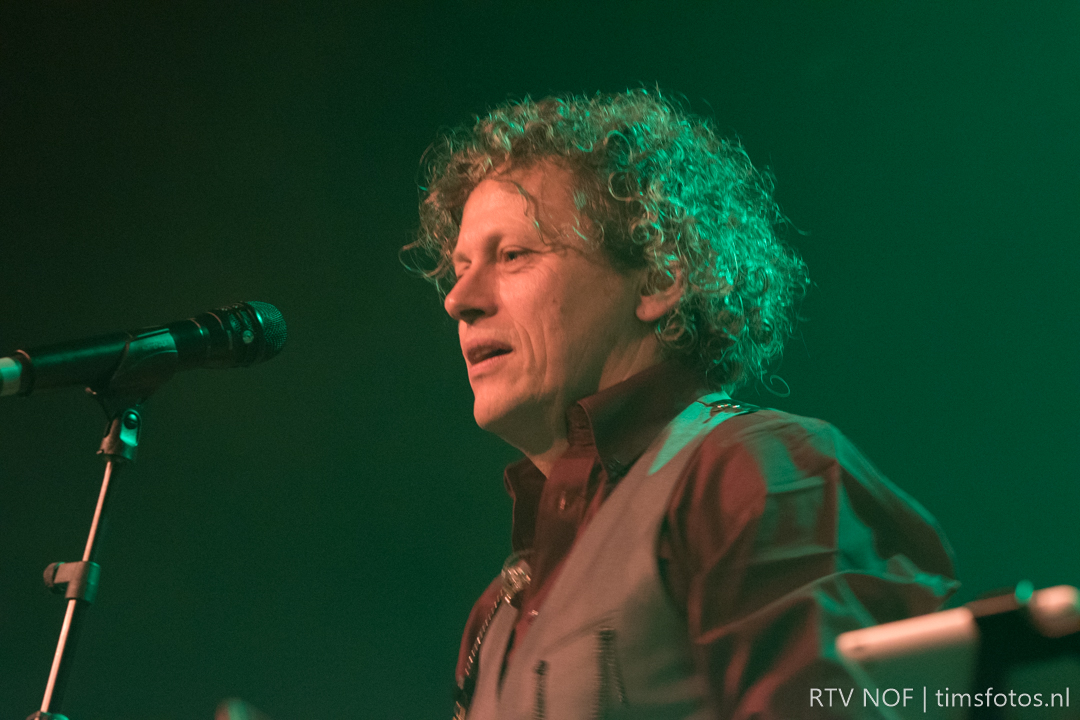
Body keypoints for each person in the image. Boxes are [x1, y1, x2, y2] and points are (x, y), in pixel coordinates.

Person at [406, 89, 957, 719]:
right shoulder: (496, 613)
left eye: (513, 256)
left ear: (659, 279)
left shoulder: (757, 474)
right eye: (460, 267)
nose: (459, 299)